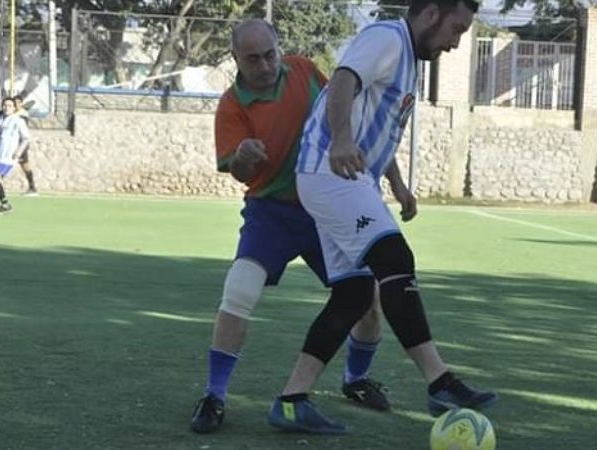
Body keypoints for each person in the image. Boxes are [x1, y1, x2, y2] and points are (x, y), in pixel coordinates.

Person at [267, 0, 497, 435]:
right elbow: (343, 81)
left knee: (354, 294)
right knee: (395, 259)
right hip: (329, 171)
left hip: (348, 177)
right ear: (431, 14)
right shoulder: (387, 39)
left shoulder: (409, 58)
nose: (455, 42)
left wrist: (396, 182)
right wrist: (339, 139)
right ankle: (438, 380)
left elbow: (378, 125)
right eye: (458, 30)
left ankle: (291, 401)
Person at [189, 18, 412, 434]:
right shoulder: (231, 105)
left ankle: (355, 380)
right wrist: (243, 156)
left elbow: (352, 122)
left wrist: (397, 182)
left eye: (270, 54)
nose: (265, 65)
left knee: (366, 297)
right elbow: (235, 171)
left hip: (324, 208)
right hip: (270, 212)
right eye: (252, 58)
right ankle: (214, 396)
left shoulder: (307, 71)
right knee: (239, 290)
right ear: (235, 59)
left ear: (279, 47)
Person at [13, 95, 38, 196]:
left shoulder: (22, 114)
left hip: (21, 143)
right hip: (13, 142)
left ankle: (32, 188)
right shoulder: (14, 113)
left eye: (18, 102)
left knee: (25, 164)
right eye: (15, 103)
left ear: (21, 103)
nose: (16, 105)